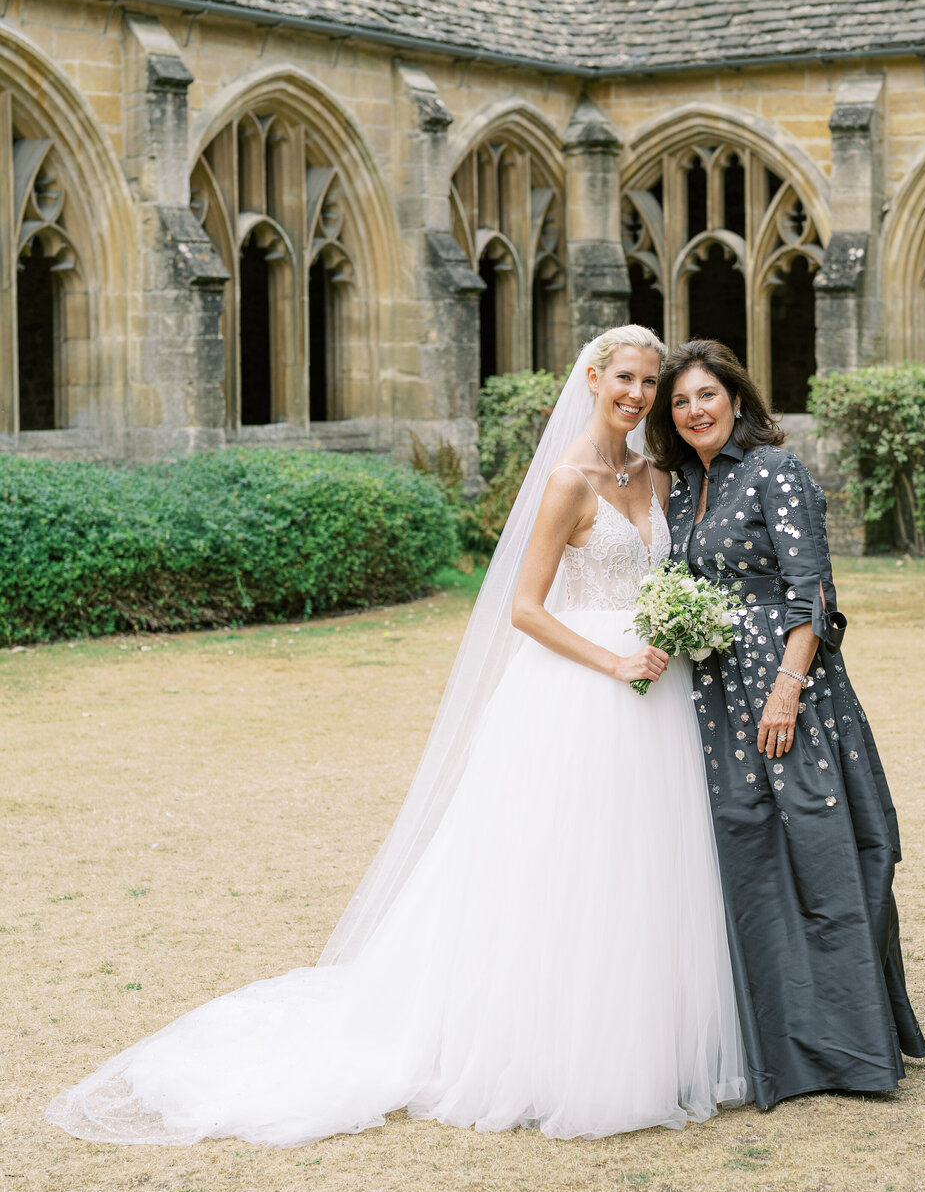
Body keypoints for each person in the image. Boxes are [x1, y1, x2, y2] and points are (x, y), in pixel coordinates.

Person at [47, 327, 746, 1146]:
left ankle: (650, 1039)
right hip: (584, 690)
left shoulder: (655, 473)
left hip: (654, 692)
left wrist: (675, 629)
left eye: (650, 382)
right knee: (563, 866)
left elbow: (657, 576)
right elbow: (524, 609)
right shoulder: (569, 481)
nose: (637, 394)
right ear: (592, 378)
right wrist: (611, 659)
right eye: (625, 377)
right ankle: (551, 1050)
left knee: (647, 865)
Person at [646, 339, 925, 1109]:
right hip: (716, 699)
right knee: (750, 850)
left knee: (819, 847)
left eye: (707, 395)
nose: (695, 410)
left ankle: (848, 1047)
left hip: (788, 692)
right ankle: (778, 1045)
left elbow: (812, 592)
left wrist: (786, 690)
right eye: (680, 401)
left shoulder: (776, 470)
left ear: (736, 399)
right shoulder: (682, 488)